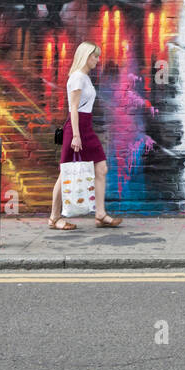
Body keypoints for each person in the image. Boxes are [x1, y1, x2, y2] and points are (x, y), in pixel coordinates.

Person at [49, 41, 123, 230]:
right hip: (76, 128)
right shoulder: (77, 78)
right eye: (95, 56)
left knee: (101, 168)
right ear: (85, 56)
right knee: (65, 173)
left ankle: (100, 214)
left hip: (86, 127)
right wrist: (75, 135)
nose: (97, 60)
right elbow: (73, 108)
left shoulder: (85, 78)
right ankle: (54, 218)